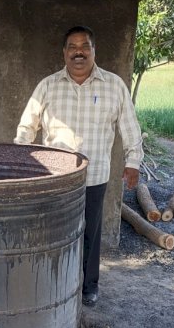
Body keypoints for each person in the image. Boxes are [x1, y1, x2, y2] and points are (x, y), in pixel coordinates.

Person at [14, 25, 143, 307]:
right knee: (53, 233)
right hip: (54, 178)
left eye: (84, 46)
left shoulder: (114, 85)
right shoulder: (47, 86)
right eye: (72, 47)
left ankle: (88, 287)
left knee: (90, 233)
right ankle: (54, 285)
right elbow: (26, 128)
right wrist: (21, 162)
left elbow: (130, 128)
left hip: (94, 175)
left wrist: (133, 162)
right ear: (64, 53)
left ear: (94, 51)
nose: (78, 52)